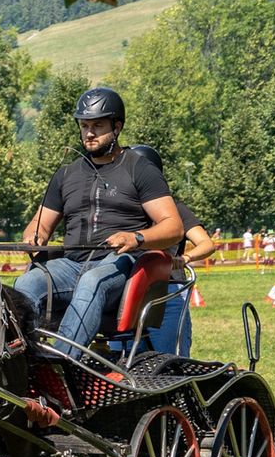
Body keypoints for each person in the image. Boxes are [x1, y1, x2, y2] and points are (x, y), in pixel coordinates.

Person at [14, 87, 182, 357]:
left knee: (93, 280)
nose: (89, 133)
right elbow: (40, 225)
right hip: (70, 264)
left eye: (97, 125)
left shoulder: (140, 169)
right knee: (26, 285)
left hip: (121, 265)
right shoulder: (65, 175)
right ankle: (25, 359)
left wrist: (135, 237)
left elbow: (173, 227)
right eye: (84, 126)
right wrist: (35, 237)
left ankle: (60, 361)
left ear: (117, 127)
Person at [127, 145, 214, 357]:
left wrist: (184, 258)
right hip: (127, 293)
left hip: (167, 291)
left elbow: (206, 244)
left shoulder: (175, 209)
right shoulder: (122, 210)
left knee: (171, 359)